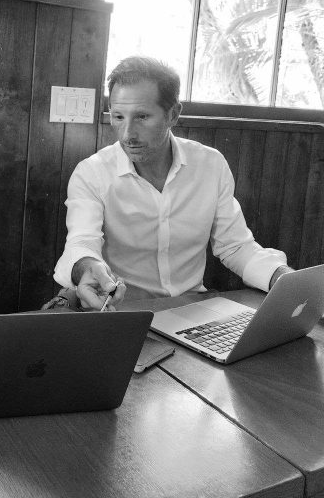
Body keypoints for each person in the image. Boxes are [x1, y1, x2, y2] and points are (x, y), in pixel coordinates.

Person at [53, 56, 293, 311]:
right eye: (119, 116)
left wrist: (282, 276)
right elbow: (81, 242)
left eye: (142, 117)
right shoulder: (92, 172)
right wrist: (87, 266)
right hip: (121, 312)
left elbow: (235, 246)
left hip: (191, 310)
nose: (127, 134)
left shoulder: (210, 165)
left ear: (173, 114)